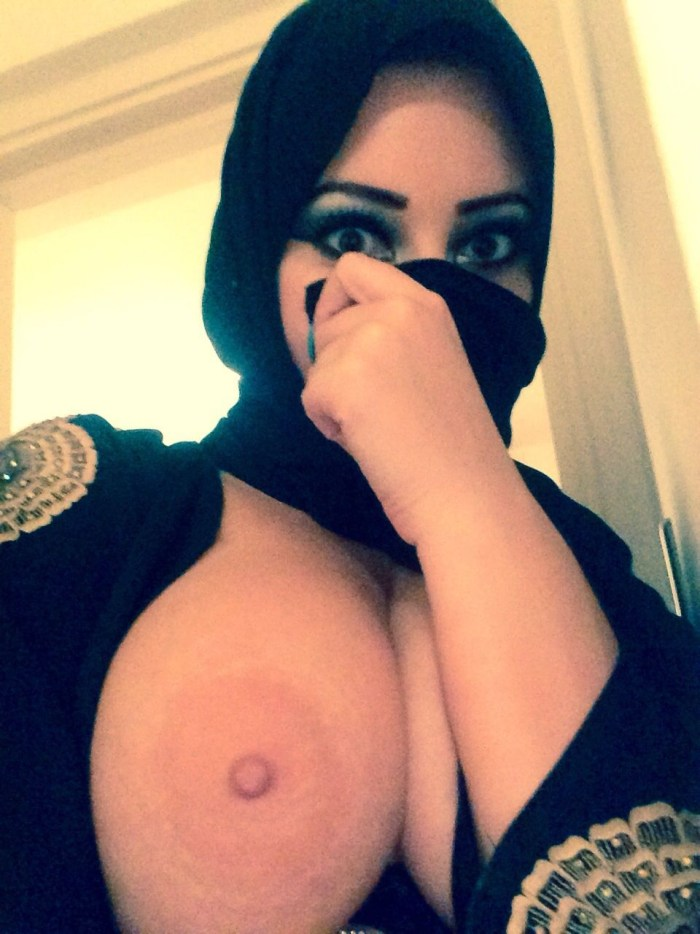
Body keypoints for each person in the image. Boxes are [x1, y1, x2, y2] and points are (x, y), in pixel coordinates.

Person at [1, 0, 698, 931]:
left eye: (487, 245)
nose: (422, 307)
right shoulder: (86, 507)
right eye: (356, 237)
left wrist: (464, 490)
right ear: (258, 251)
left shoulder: (591, 572)